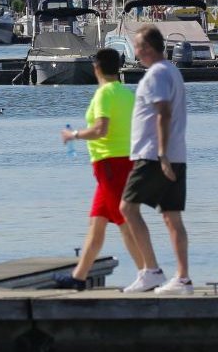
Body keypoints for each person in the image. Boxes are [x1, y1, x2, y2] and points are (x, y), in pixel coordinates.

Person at [54, 47, 160, 291]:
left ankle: (148, 273)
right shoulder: (126, 93)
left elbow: (101, 129)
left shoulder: (104, 94)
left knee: (125, 223)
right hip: (121, 163)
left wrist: (74, 135)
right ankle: (79, 277)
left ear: (96, 68)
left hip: (111, 164)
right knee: (97, 223)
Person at [124, 24, 192, 295]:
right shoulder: (172, 71)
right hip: (174, 155)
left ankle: (151, 270)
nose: (135, 52)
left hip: (154, 156)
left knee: (127, 209)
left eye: (138, 47)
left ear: (147, 49)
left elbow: (163, 113)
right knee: (171, 216)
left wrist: (161, 155)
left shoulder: (156, 75)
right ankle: (183, 279)